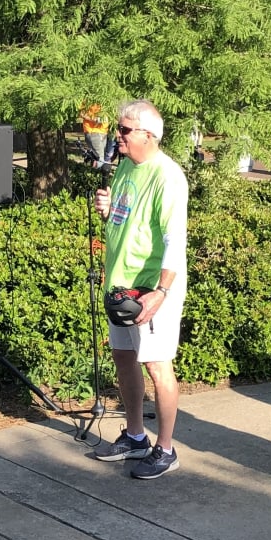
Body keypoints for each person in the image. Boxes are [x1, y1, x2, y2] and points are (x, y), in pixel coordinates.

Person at [92, 100, 188, 478]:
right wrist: (108, 207)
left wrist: (160, 292)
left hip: (150, 288)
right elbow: (125, 217)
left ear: (149, 135)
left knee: (156, 366)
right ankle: (135, 437)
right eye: (120, 129)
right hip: (120, 283)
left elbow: (173, 242)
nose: (118, 135)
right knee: (123, 357)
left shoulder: (168, 177)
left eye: (125, 130)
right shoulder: (126, 167)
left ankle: (165, 448)